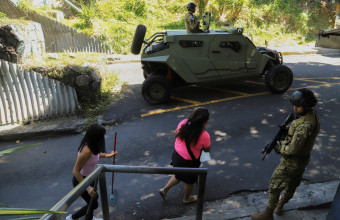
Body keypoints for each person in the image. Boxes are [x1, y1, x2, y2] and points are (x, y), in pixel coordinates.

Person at [251, 88, 320, 220]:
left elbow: (293, 149)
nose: (294, 108)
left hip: (292, 163)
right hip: (302, 160)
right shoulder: (312, 116)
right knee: (292, 185)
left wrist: (279, 146)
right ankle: (280, 206)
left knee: (274, 186)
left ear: (306, 106)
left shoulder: (304, 125)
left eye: (297, 106)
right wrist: (287, 131)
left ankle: (267, 214)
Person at [159, 108, 211, 203]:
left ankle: (164, 190)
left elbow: (176, 132)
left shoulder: (183, 122)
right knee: (189, 181)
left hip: (176, 155)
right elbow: (207, 150)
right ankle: (186, 199)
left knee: (179, 175)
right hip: (188, 161)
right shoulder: (204, 135)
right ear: (205, 122)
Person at [66, 124, 117, 220]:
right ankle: (71, 218)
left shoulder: (92, 144)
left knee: (93, 200)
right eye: (101, 136)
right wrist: (88, 187)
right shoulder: (86, 151)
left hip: (91, 177)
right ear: (96, 137)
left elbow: (96, 154)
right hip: (82, 180)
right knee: (94, 204)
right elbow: (75, 171)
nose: (103, 138)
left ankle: (89, 218)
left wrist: (108, 155)